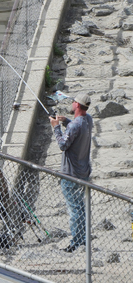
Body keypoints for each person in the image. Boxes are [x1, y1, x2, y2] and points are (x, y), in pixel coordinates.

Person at [50, 93, 93, 252]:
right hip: (83, 173)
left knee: (75, 210)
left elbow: (63, 144)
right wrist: (65, 121)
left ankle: (76, 243)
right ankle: (82, 240)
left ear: (77, 105)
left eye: (74, 101)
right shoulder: (88, 120)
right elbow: (76, 128)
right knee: (80, 208)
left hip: (70, 174)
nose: (72, 102)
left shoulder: (75, 125)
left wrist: (55, 127)